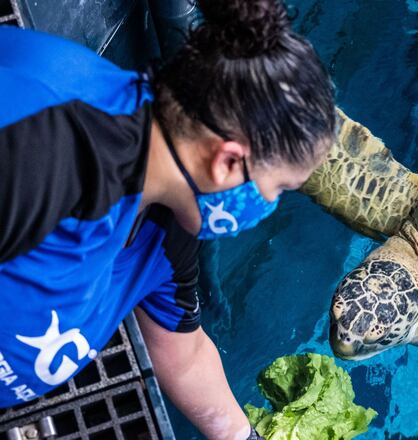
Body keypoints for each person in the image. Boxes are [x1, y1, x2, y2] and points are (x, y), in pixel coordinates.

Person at [0, 0, 335, 438]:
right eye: (278, 189)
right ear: (228, 163)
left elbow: (185, 353)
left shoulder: (165, 229)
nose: (269, 206)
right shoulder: (40, 150)